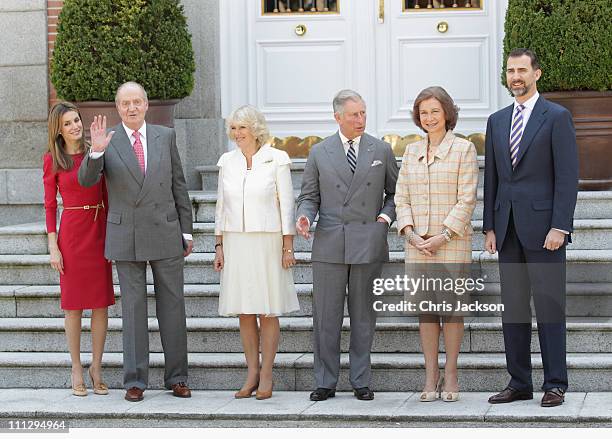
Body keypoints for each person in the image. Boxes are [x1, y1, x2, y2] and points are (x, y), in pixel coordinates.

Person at [78, 82, 194, 402]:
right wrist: (96, 150)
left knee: (173, 307)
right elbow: (86, 180)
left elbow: (178, 185)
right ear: (117, 108)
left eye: (137, 102)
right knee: (133, 310)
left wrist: (186, 230)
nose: (131, 107)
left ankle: (178, 377)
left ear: (146, 105)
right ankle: (135, 381)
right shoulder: (108, 140)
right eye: (125, 103)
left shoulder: (164, 136)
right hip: (126, 234)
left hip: (165, 230)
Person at [484, 49, 578, 407]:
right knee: (514, 309)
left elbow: (568, 177)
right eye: (510, 70)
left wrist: (560, 226)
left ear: (537, 74)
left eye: (522, 70)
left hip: (545, 231)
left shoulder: (556, 117)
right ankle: (519, 382)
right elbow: (492, 177)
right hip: (506, 229)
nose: (516, 76)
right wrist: (489, 227)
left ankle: (555, 383)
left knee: (550, 307)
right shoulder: (496, 120)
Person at [296, 89, 398, 401]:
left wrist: (384, 218)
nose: (360, 119)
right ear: (337, 117)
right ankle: (325, 381)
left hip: (368, 241)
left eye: (363, 113)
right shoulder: (319, 152)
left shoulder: (380, 149)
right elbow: (309, 196)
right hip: (329, 242)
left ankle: (361, 380)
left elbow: (396, 193)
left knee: (363, 316)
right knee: (326, 317)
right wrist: (303, 217)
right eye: (354, 114)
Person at [395, 86, 478, 402]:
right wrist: (411, 232)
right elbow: (401, 197)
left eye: (434, 111)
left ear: (446, 113)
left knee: (452, 312)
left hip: (451, 243)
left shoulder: (464, 149)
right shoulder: (411, 151)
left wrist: (444, 235)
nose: (429, 118)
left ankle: (452, 373)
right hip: (417, 245)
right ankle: (431, 375)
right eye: (423, 112)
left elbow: (467, 198)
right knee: (426, 312)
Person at [213, 105, 299, 400]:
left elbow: (287, 205)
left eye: (243, 128)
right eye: (234, 128)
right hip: (236, 242)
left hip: (268, 241)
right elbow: (221, 206)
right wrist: (219, 245)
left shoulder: (277, 159)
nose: (237, 134)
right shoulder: (227, 161)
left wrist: (288, 245)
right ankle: (251, 371)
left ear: (256, 129)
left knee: (267, 309)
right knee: (245, 310)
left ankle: (267, 373)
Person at [43, 102, 114, 397]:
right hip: (71, 234)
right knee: (73, 306)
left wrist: (113, 237)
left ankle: (96, 367)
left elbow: (109, 194)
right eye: (68, 123)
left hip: (99, 229)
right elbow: (49, 205)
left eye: (76, 120)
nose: (75, 126)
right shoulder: (52, 160)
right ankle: (75, 367)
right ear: (58, 130)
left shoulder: (96, 153)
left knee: (100, 304)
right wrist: (53, 246)